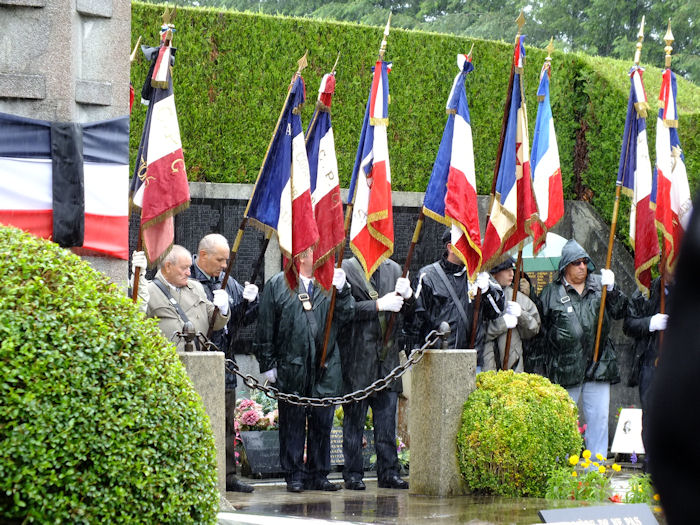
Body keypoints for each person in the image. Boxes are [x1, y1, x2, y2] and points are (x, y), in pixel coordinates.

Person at [253, 248, 354, 493]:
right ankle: (294, 474)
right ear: (302, 256)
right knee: (293, 422)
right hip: (292, 365)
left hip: (326, 364)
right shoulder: (278, 284)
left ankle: (319, 474)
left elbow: (347, 314)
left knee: (323, 422)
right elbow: (265, 327)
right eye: (317, 251)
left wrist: (343, 292)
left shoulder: (329, 285)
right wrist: (268, 364)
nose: (326, 256)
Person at [539, 239, 627, 461]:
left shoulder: (601, 285)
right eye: (576, 263)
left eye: (585, 262)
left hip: (599, 365)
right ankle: (561, 469)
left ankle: (595, 470)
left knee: (598, 419)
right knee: (563, 422)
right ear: (565, 267)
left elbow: (621, 311)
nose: (582, 267)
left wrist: (614, 289)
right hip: (564, 369)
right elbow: (540, 331)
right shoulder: (550, 292)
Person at [190, 233, 259, 493]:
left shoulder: (226, 281)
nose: (223, 265)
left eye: (226, 260)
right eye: (219, 260)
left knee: (227, 422)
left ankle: (228, 475)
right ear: (203, 255)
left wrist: (250, 302)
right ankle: (199, 475)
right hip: (198, 362)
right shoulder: (190, 280)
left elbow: (242, 320)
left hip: (225, 362)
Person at [339, 256, 413, 491]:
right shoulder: (347, 268)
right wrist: (379, 305)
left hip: (388, 361)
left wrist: (409, 297)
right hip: (358, 360)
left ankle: (389, 472)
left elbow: (410, 315)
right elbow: (345, 311)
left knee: (386, 425)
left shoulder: (394, 269)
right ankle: (352, 474)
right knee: (354, 424)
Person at [407, 229, 505, 369]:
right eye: (467, 243)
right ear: (451, 247)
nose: (473, 248)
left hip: (471, 361)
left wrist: (486, 291)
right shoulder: (427, 276)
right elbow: (415, 322)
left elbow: (496, 312)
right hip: (436, 362)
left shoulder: (480, 275)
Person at [622, 271, 670, 471]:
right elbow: (629, 324)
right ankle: (652, 462)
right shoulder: (645, 290)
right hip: (651, 359)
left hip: (683, 360)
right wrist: (650, 322)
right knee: (651, 413)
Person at [138, 245, 230, 347]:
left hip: (200, 360)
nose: (188, 273)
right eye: (184, 268)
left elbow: (215, 323)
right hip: (168, 360)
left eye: (189, 267)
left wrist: (222, 310)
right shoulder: (148, 291)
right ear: (168, 267)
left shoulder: (196, 287)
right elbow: (137, 326)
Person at [483, 257, 540, 372]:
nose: (512, 274)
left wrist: (521, 315)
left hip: (513, 367)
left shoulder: (518, 297)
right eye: (506, 270)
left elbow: (534, 328)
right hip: (485, 366)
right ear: (495, 272)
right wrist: (502, 324)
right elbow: (477, 334)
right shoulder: (481, 296)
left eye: (512, 269)